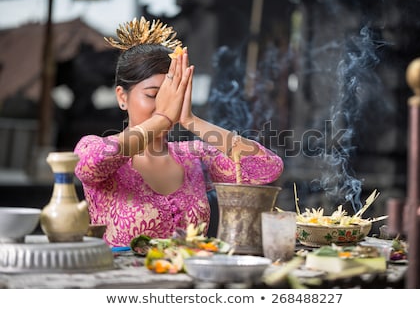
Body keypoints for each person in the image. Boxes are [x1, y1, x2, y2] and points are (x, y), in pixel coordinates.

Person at [74, 17, 284, 247]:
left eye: (172, 97)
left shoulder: (193, 156)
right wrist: (162, 118)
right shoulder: (93, 147)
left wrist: (191, 120)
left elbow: (267, 167)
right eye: (153, 95)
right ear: (122, 97)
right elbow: (92, 163)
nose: (165, 105)